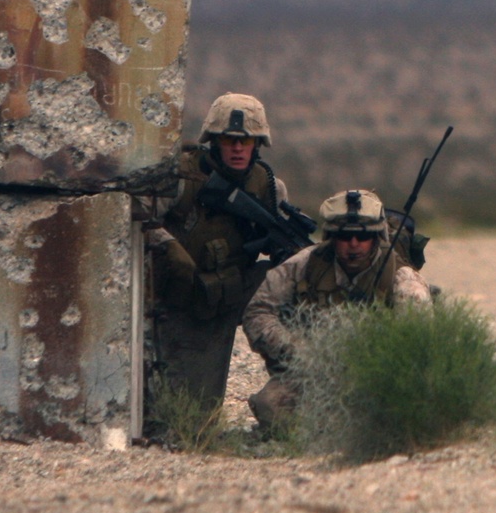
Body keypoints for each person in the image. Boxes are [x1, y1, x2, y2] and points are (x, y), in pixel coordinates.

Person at [145, 92, 290, 413]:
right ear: (213, 141)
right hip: (174, 302)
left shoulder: (269, 188)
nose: (238, 148)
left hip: (229, 294)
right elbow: (137, 214)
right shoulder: (180, 178)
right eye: (228, 140)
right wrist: (167, 245)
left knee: (287, 286)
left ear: (258, 144)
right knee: (185, 416)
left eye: (246, 141)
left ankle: (290, 390)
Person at [242, 188, 432, 432]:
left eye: (362, 237)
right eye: (344, 236)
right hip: (313, 374)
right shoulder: (306, 263)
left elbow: (419, 341)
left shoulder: (403, 279)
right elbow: (257, 311)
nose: (353, 245)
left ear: (376, 238)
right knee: (270, 406)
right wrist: (295, 349)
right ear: (332, 237)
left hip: (378, 376)